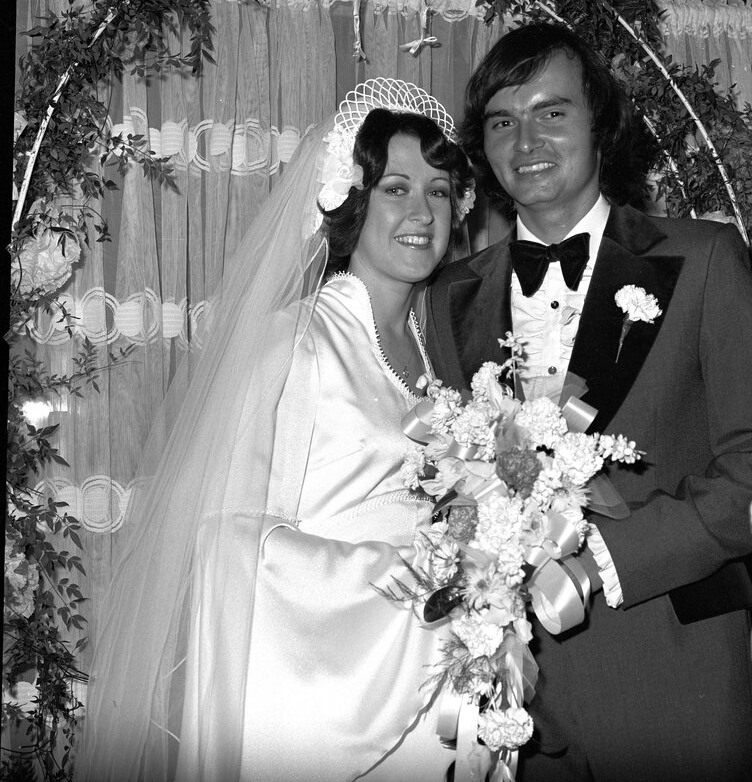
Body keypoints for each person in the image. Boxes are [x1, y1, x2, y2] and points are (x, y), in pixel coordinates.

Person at [423, 24, 752, 781]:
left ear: (600, 125)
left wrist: (605, 558)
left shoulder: (701, 259)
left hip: (671, 678)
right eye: (502, 121)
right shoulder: (450, 295)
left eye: (552, 112)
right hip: (516, 700)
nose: (526, 140)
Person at [77, 80, 475, 782]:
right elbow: (231, 541)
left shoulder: (447, 355)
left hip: (437, 689)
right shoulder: (295, 344)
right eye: (396, 189)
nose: (423, 212)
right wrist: (406, 587)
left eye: (439, 191)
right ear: (349, 200)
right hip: (333, 689)